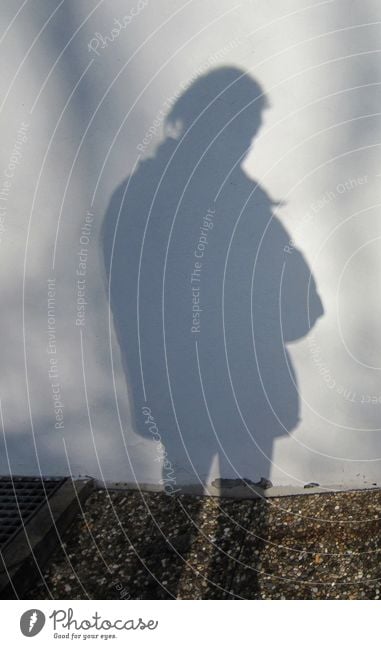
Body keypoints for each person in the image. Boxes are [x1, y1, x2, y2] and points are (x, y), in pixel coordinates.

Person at [102, 67, 323, 490]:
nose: (246, 142)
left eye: (251, 131)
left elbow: (298, 300)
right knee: (197, 521)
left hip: (214, 394)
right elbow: (138, 309)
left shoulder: (228, 198)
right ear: (209, 122)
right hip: (205, 394)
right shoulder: (175, 198)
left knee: (204, 521)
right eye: (240, 128)